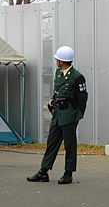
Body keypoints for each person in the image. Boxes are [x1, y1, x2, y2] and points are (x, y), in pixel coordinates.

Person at [27, 46, 88, 184]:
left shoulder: (77, 77)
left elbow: (83, 98)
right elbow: (57, 91)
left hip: (70, 115)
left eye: (57, 59)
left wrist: (77, 115)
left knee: (69, 145)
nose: (56, 60)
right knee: (52, 142)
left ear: (62, 61)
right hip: (58, 114)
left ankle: (68, 173)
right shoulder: (58, 73)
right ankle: (43, 171)